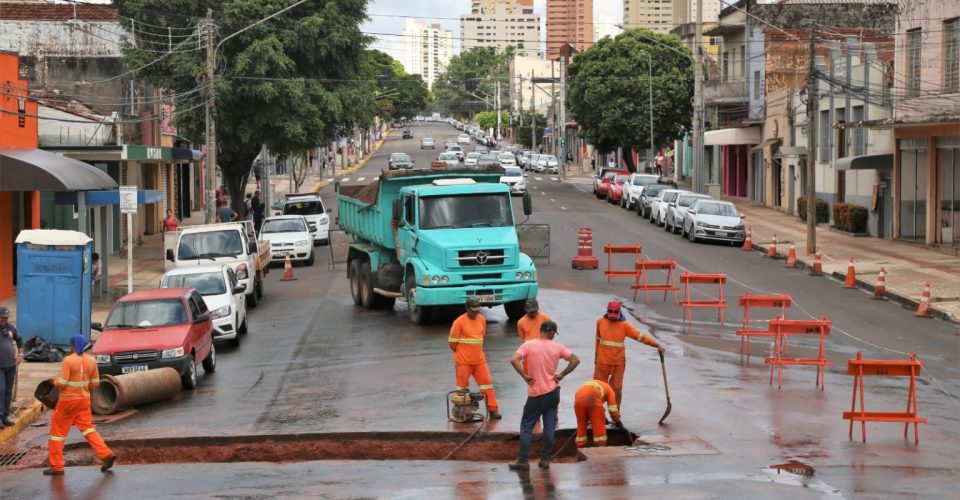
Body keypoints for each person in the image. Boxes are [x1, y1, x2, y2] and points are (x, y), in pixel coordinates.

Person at [508, 320, 580, 470]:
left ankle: (523, 460)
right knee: (549, 426)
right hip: (553, 392)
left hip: (536, 393)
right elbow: (575, 360)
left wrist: (524, 376)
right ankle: (545, 459)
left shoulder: (528, 344)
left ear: (541, 330)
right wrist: (562, 374)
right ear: (552, 332)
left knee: (527, 426)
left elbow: (514, 359)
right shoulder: (558, 347)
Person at [45, 335, 116, 475]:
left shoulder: (68, 360)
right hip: (84, 400)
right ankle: (106, 454)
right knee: (88, 429)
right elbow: (95, 383)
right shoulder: (91, 360)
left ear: (72, 345)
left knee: (57, 434)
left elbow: (62, 383)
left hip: (68, 401)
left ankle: (57, 466)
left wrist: (53, 382)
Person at [594, 301, 664, 408]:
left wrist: (656, 345)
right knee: (598, 388)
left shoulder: (625, 325)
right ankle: (594, 413)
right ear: (607, 311)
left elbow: (640, 337)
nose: (612, 316)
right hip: (602, 362)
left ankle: (616, 414)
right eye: (610, 312)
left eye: (615, 313)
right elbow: (598, 340)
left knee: (616, 389)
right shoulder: (600, 322)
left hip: (618, 363)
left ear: (619, 312)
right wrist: (596, 358)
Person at [449, 297, 501, 420]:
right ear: (467, 308)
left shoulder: (482, 320)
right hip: (463, 361)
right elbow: (452, 342)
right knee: (462, 389)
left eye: (478, 309)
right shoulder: (459, 322)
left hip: (479, 360)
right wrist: (462, 353)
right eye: (473, 309)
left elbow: (481, 337)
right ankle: (464, 412)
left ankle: (493, 410)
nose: (476, 311)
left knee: (487, 385)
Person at [574, 379, 621, 448]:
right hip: (593, 398)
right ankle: (600, 450)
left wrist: (604, 418)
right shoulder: (610, 390)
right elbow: (613, 411)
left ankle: (580, 448)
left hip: (578, 399)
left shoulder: (598, 385)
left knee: (581, 425)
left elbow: (598, 409)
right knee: (599, 433)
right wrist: (618, 422)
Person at [0, 306, 22, 428]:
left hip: (11, 366)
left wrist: (20, 354)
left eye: (6, 318)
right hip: (0, 367)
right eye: (2, 318)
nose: (4, 320)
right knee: (1, 391)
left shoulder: (11, 328)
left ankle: (5, 417)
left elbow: (19, 340)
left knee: (8, 392)